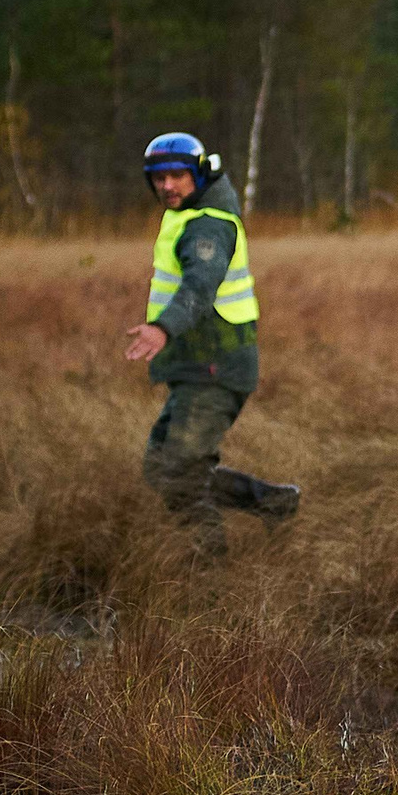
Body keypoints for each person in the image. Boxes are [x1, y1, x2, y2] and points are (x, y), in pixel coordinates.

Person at [121, 131, 298, 549]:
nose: (167, 186)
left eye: (178, 176)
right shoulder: (188, 212)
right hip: (201, 366)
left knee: (179, 477)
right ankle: (272, 503)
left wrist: (162, 328)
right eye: (158, 178)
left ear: (199, 174)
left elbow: (201, 284)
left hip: (217, 366)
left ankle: (209, 572)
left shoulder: (208, 225)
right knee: (160, 469)